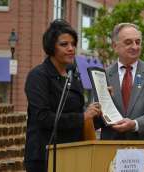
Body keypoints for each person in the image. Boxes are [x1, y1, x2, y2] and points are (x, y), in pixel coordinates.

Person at [24, 19, 101, 172]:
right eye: (64, 44)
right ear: (51, 47)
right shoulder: (38, 76)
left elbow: (80, 116)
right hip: (44, 156)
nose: (71, 49)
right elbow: (43, 117)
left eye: (73, 44)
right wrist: (82, 117)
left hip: (73, 152)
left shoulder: (73, 74)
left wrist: (98, 109)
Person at [96, 23, 144, 140]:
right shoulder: (101, 76)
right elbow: (95, 120)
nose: (135, 47)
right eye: (128, 42)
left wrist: (135, 124)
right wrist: (98, 110)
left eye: (138, 42)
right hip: (111, 150)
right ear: (115, 46)